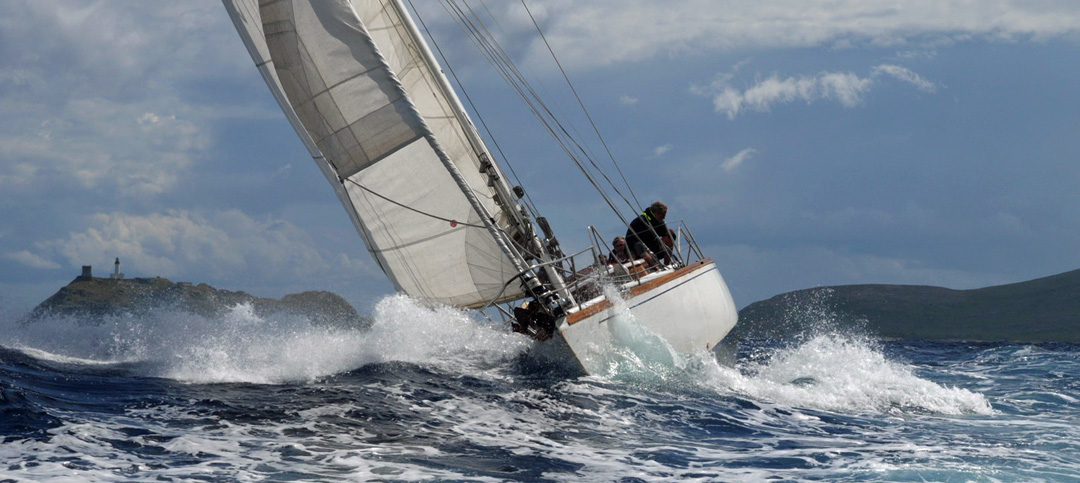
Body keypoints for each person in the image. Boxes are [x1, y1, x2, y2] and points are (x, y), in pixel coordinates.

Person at [625, 201, 676, 268]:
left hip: (654, 248)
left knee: (670, 234)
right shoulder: (639, 221)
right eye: (663, 215)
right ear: (657, 213)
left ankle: (667, 265)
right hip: (639, 252)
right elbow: (629, 240)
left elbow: (667, 235)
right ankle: (656, 267)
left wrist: (665, 241)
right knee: (638, 245)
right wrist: (632, 253)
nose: (664, 218)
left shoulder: (660, 223)